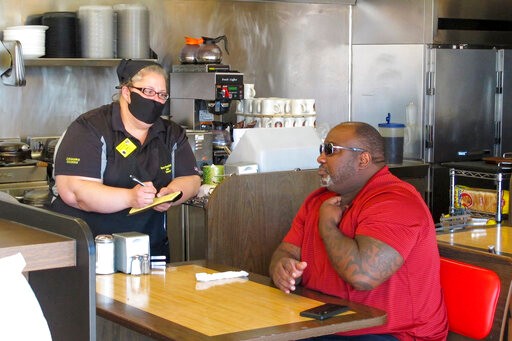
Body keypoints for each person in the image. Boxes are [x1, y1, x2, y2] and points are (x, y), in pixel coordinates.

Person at [269, 122, 448, 340]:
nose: (321, 158)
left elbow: (363, 276)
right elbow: (286, 251)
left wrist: (327, 226)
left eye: (331, 150)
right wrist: (282, 268)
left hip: (391, 333)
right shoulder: (318, 200)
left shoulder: (396, 202)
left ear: (363, 159)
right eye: (322, 150)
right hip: (323, 324)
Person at [50, 59, 201, 259]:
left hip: (148, 251)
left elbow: (191, 179)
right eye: (148, 92)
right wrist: (131, 198)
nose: (155, 100)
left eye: (162, 95)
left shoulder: (170, 133)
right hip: (91, 251)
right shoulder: (90, 128)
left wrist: (172, 194)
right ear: (127, 92)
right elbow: (75, 192)